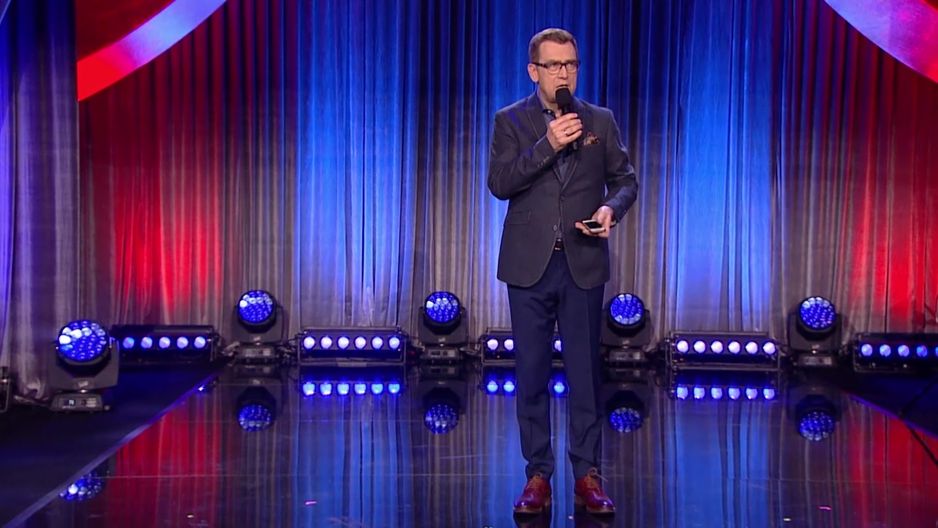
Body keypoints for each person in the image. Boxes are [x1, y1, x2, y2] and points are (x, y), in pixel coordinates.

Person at [487, 28, 638, 517]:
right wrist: (547, 145)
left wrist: (611, 209)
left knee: (585, 374)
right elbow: (500, 183)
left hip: (582, 261)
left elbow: (626, 181)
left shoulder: (600, 120)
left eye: (570, 64)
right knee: (530, 372)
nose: (564, 73)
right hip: (529, 265)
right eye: (554, 65)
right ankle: (537, 475)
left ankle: (587, 473)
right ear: (534, 71)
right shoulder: (510, 120)